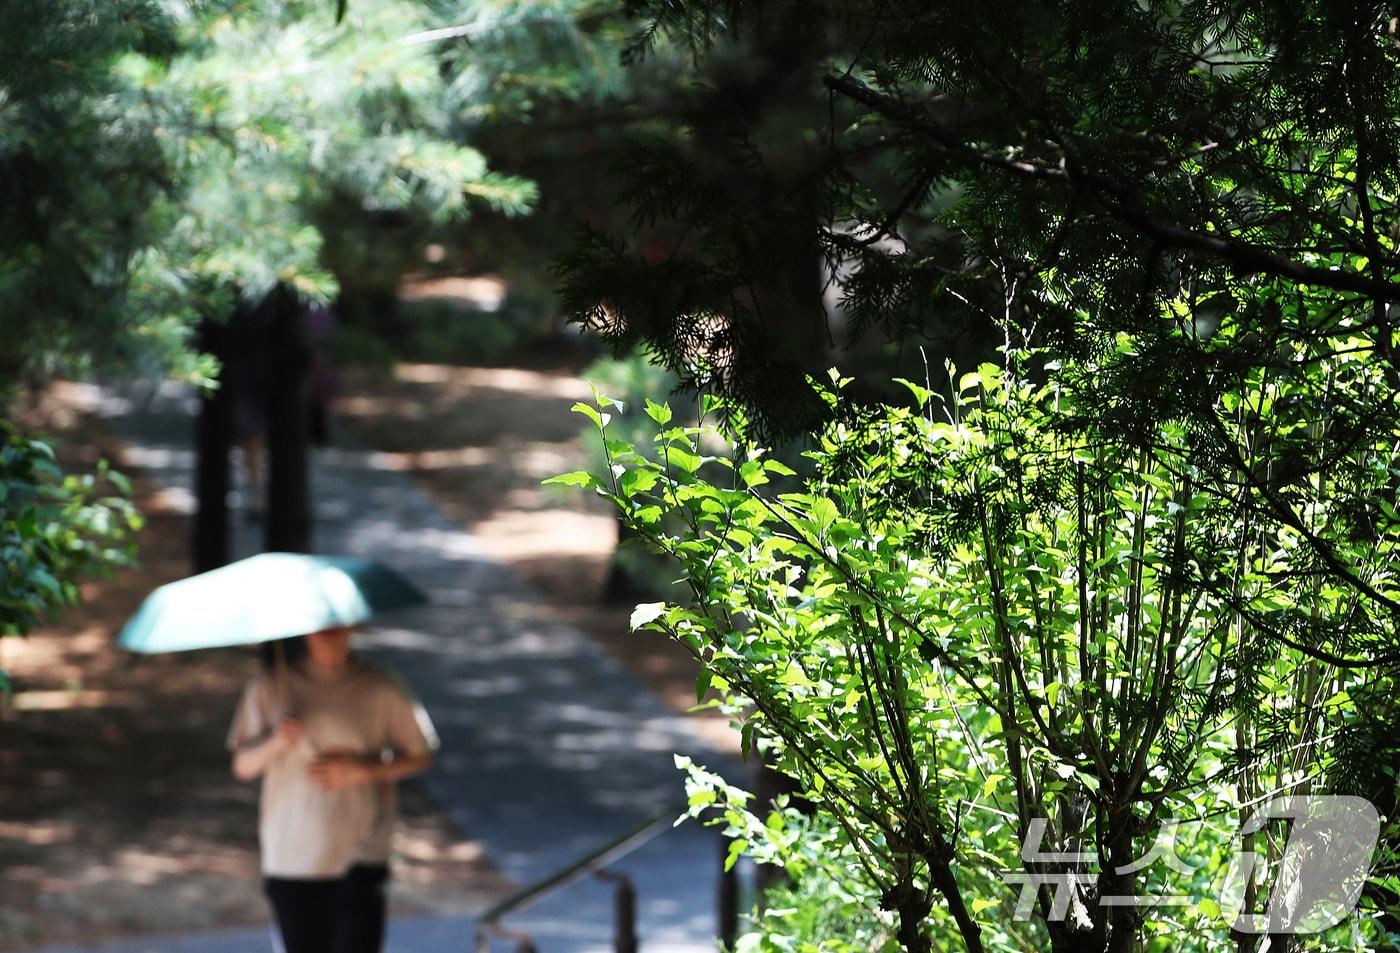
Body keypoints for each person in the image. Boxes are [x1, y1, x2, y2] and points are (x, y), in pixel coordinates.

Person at [228, 626, 438, 953]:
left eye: (337, 620)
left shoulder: (380, 685)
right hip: (293, 857)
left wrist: (363, 771)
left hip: (361, 853)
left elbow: (421, 754)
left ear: (354, 623)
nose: (328, 629)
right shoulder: (271, 686)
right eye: (318, 622)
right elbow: (243, 765)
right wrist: (276, 740)